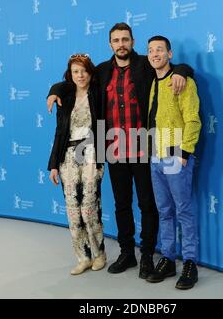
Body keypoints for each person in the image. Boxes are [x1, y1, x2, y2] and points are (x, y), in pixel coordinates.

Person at [47, 23, 193, 280]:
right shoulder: (102, 71)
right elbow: (74, 82)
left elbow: (173, 68)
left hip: (144, 144)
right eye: (116, 40)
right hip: (113, 146)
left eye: (125, 39)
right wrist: (54, 91)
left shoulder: (146, 64)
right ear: (110, 44)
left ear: (132, 42)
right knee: (121, 203)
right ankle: (127, 253)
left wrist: (182, 70)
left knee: (148, 204)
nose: (121, 44)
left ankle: (147, 255)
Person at [145, 36, 202, 290]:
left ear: (169, 53)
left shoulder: (182, 81)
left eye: (159, 49)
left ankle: (190, 262)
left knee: (183, 211)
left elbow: (193, 119)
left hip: (175, 156)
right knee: (164, 211)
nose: (155, 53)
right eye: (150, 50)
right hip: (155, 157)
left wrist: (184, 152)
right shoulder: (152, 83)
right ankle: (168, 258)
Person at [47, 54, 106, 275]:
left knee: (89, 207)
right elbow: (59, 133)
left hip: (91, 151)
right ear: (70, 75)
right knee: (73, 210)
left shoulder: (98, 92)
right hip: (67, 157)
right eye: (75, 72)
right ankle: (83, 257)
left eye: (83, 71)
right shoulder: (65, 96)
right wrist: (53, 164)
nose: (80, 75)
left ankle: (99, 254)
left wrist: (100, 160)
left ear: (91, 73)